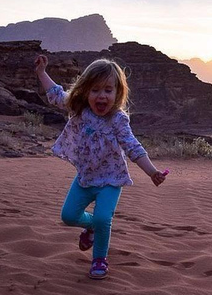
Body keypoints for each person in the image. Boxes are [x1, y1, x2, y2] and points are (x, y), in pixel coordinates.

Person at [34, 54, 167, 280]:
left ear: (117, 94)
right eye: (95, 90)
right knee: (68, 216)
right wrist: (41, 73)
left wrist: (152, 171)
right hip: (85, 178)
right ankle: (92, 228)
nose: (101, 95)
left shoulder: (118, 119)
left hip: (111, 180)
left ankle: (99, 259)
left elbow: (133, 147)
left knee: (104, 218)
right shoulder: (79, 108)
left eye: (107, 90)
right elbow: (56, 95)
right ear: (85, 91)